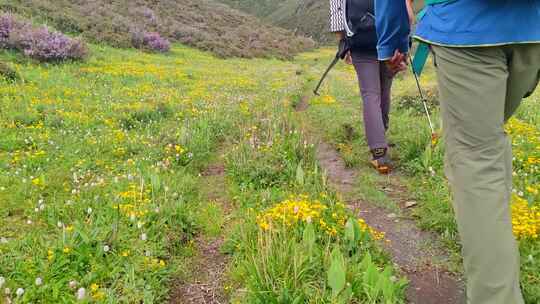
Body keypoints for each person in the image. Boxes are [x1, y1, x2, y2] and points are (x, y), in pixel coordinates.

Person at [374, 1, 540, 303]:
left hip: (466, 29)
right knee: (489, 148)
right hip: (533, 29)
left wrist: (392, 42)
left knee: (478, 164)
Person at [328, 0, 415, 174]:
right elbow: (406, 11)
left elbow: (337, 13)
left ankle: (379, 152)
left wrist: (344, 43)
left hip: (361, 41)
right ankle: (381, 136)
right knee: (384, 90)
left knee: (370, 94)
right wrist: (403, 42)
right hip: (388, 40)